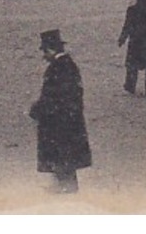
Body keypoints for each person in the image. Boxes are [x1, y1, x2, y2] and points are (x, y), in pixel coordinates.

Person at [29, 30, 91, 194]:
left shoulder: (59, 67)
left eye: (44, 51)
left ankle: (65, 185)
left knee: (61, 152)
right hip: (67, 117)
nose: (44, 55)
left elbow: (53, 95)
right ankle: (65, 183)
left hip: (60, 118)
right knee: (65, 153)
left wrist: (39, 109)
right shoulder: (67, 65)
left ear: (51, 50)